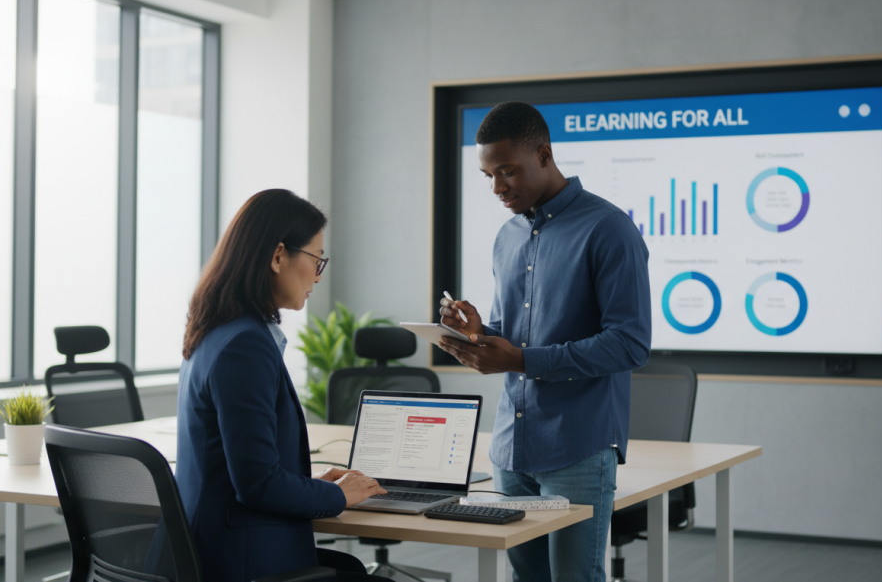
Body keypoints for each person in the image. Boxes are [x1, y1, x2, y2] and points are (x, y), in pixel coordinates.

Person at [438, 102, 652, 581]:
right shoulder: (506, 237)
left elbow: (630, 344)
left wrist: (521, 358)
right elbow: (512, 335)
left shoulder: (608, 229)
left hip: (577, 446)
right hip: (512, 449)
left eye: (507, 171)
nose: (497, 188)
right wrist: (476, 333)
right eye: (488, 175)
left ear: (544, 153)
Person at [176, 189, 391, 582]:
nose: (319, 275)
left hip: (212, 550)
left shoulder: (216, 332)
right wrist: (341, 496)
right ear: (278, 256)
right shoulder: (245, 344)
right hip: (244, 564)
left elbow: (239, 468)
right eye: (316, 260)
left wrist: (309, 484)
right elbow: (257, 485)